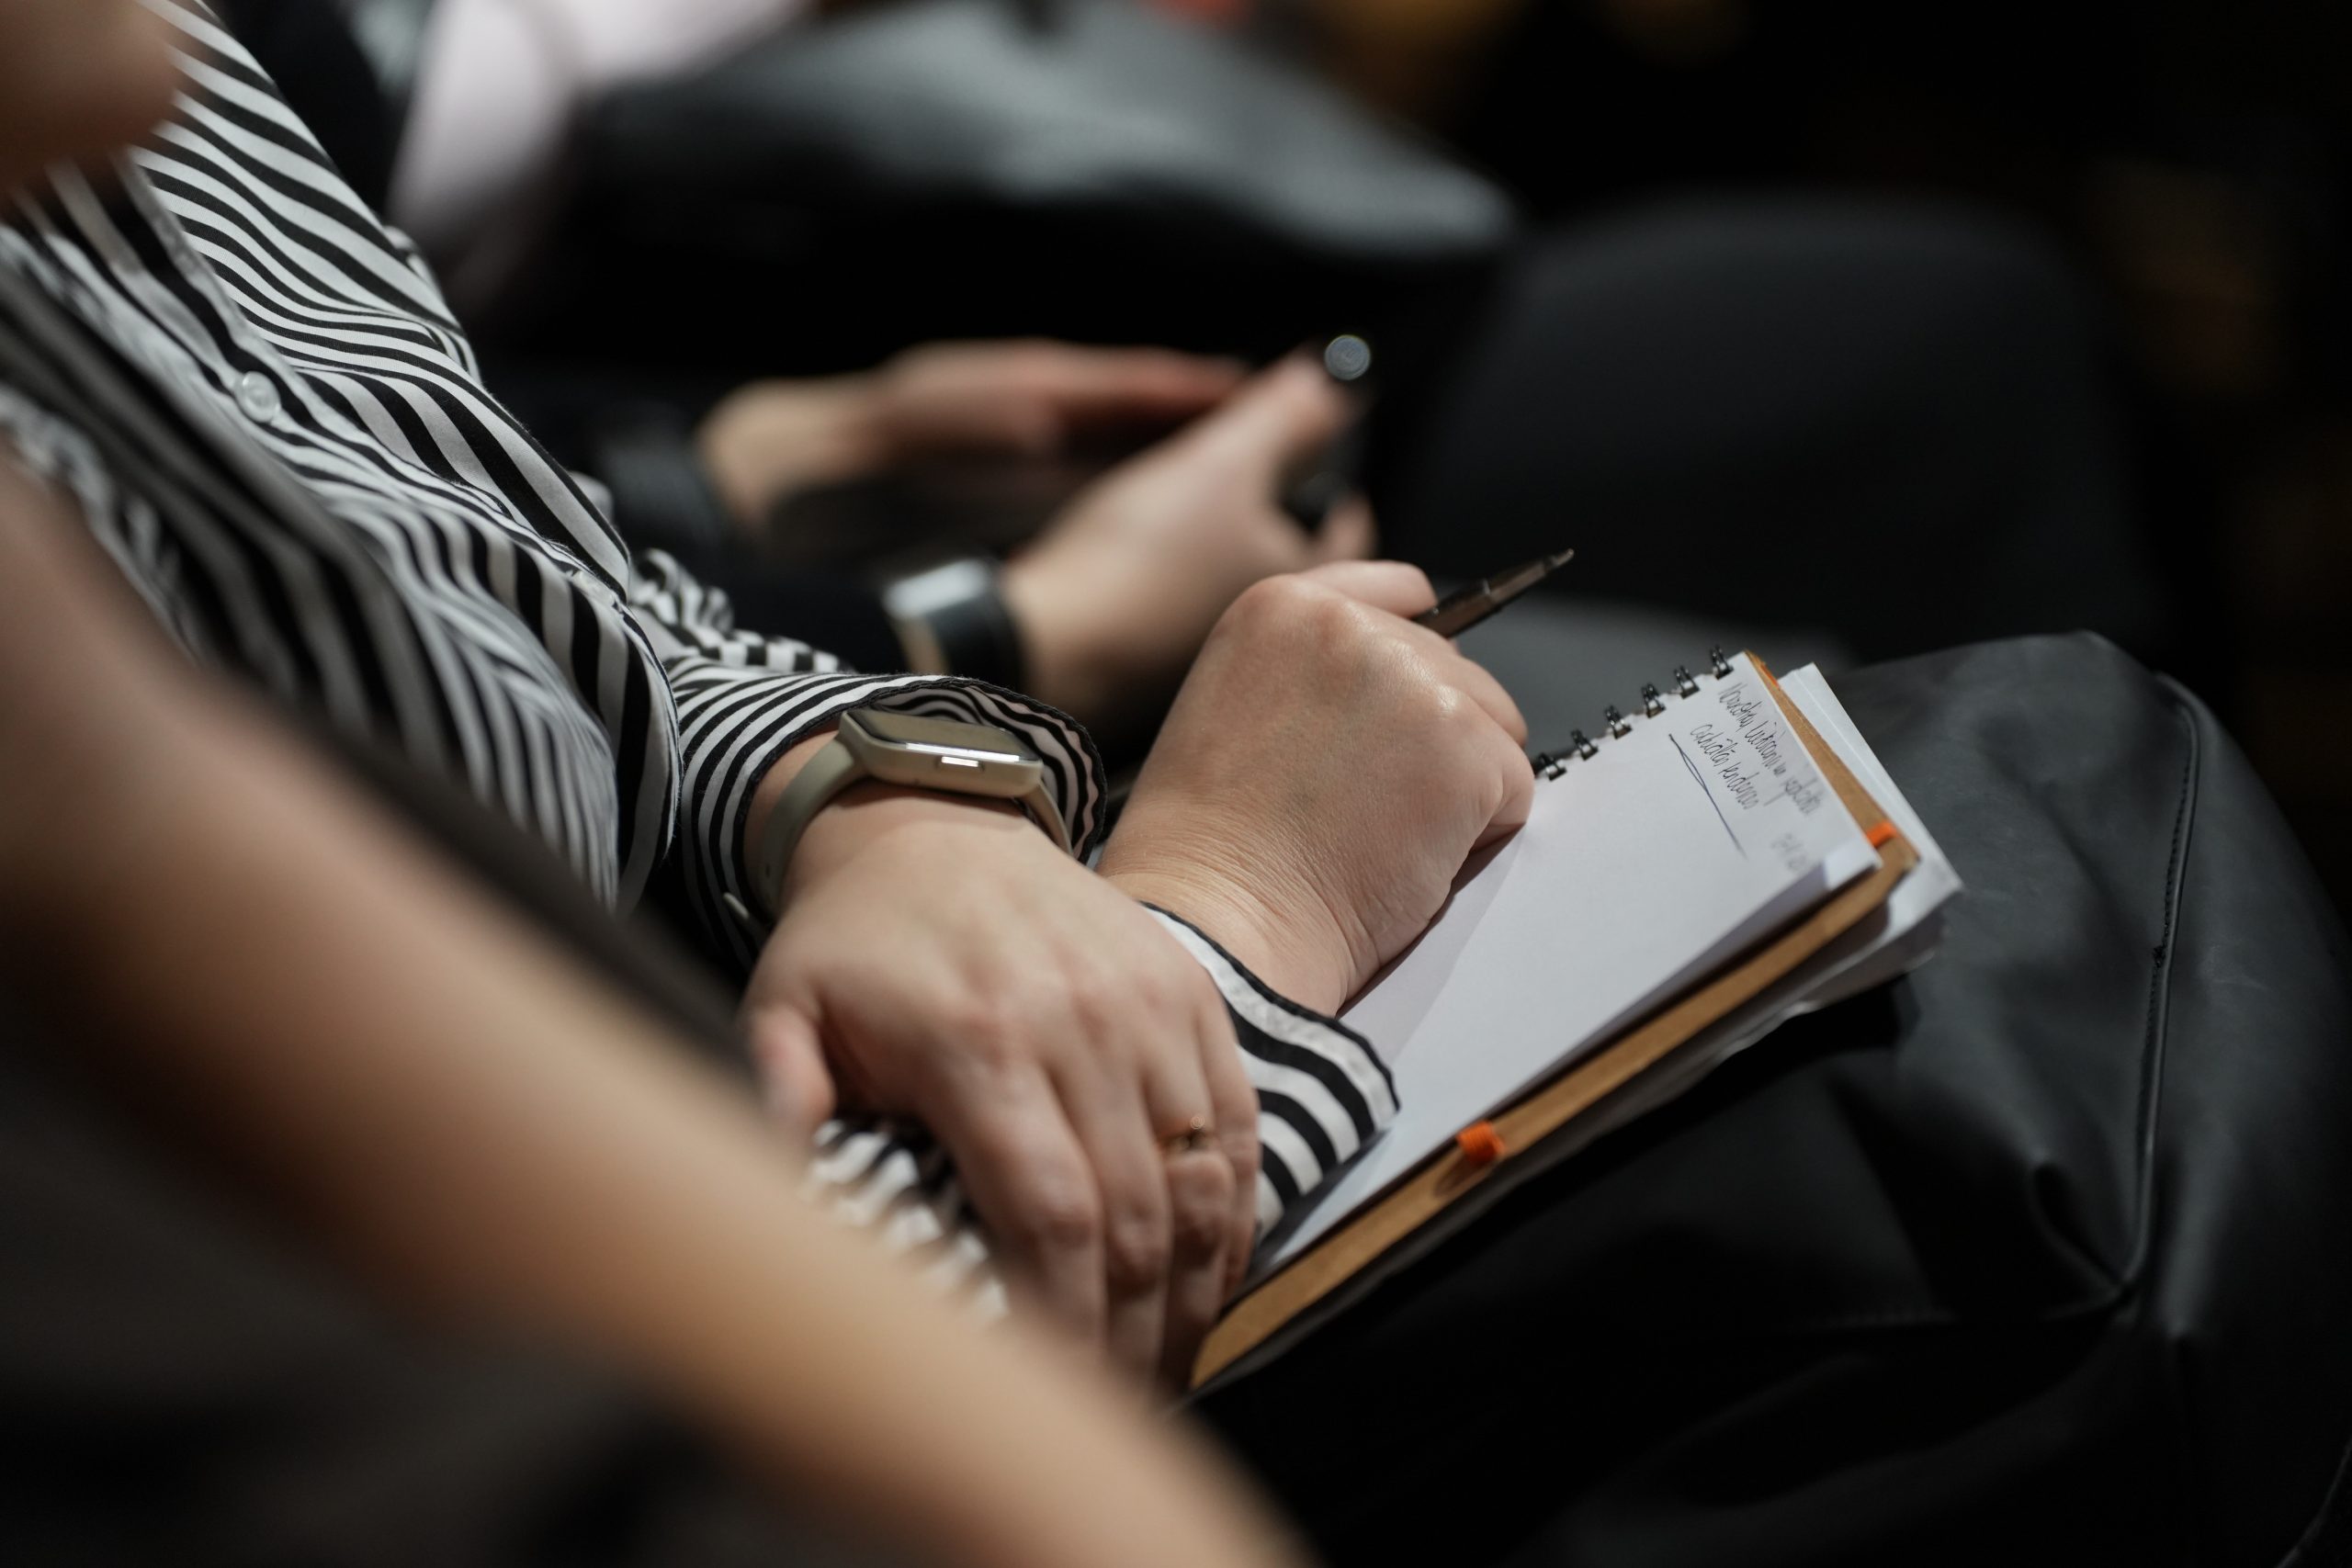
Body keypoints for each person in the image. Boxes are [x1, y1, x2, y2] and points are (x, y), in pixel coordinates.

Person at [0, 0, 1525, 1388]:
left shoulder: (120, 73)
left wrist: (872, 800)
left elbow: (554, 585)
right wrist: (1237, 907)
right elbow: (556, 1429)